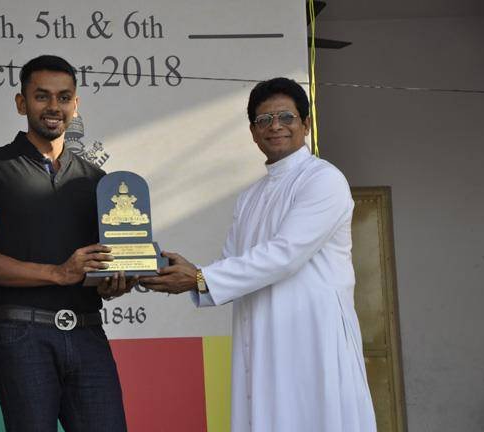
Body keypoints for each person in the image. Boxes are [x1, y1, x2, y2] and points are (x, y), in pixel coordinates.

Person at [140, 78, 377, 431]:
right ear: (253, 132)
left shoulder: (324, 179)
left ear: (306, 124)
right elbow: (231, 263)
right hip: (264, 338)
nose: (275, 126)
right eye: (264, 120)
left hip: (313, 336)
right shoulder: (250, 197)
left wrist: (200, 278)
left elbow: (285, 255)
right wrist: (182, 273)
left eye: (286, 117)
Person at [0, 55, 132, 432]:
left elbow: (98, 265)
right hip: (22, 335)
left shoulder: (97, 179)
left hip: (87, 331)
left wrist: (115, 280)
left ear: (75, 105)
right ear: (22, 103)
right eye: (42, 96)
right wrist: (57, 273)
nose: (54, 106)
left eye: (64, 97)